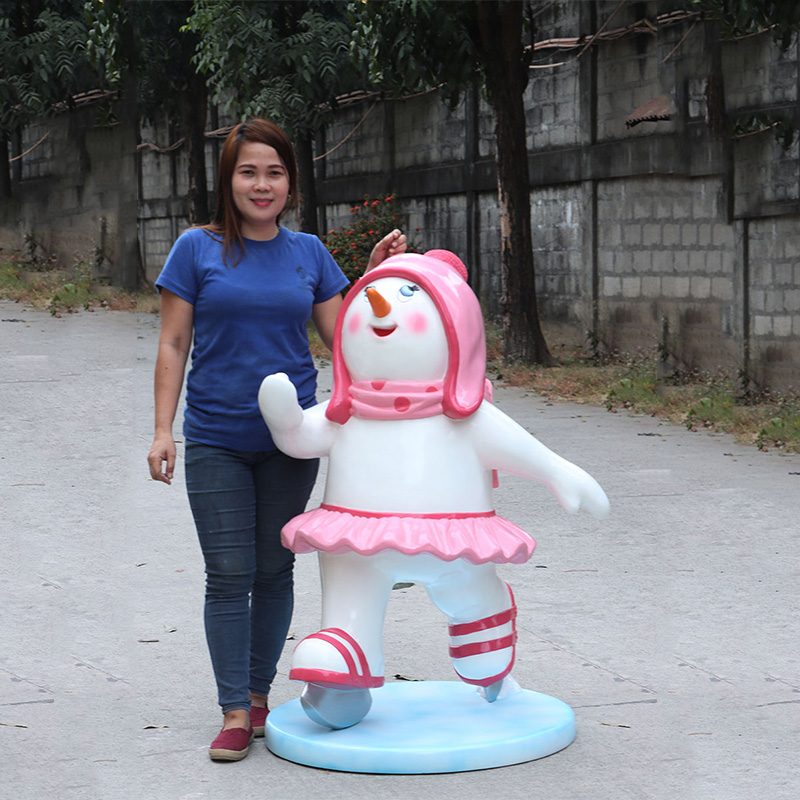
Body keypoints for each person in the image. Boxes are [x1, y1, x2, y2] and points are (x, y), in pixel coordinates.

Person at [146, 118, 406, 762]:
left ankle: (260, 696)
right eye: (247, 171)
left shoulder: (309, 254)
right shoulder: (195, 250)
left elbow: (349, 340)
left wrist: (368, 278)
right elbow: (174, 343)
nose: (261, 184)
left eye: (274, 172)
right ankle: (234, 708)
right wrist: (161, 429)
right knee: (228, 574)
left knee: (275, 567)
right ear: (228, 180)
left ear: (290, 181)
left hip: (291, 443)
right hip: (215, 438)